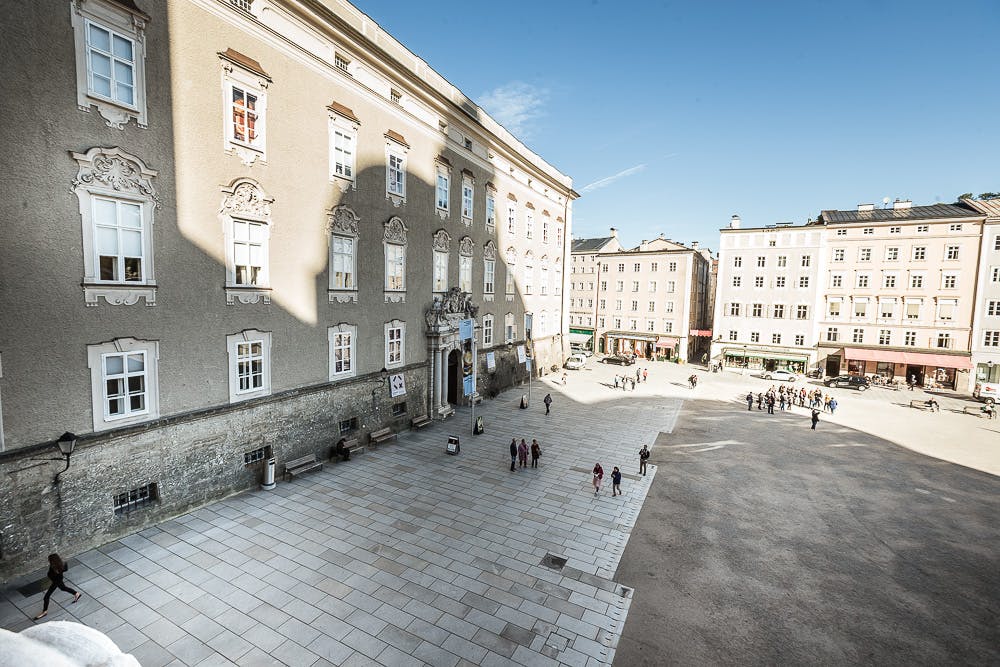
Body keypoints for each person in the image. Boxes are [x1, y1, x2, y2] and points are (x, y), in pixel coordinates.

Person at [34, 553, 80, 620]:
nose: (48, 561)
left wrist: (53, 575)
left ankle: (44, 612)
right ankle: (76, 593)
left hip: (56, 581)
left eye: (49, 560)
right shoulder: (61, 564)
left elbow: (53, 574)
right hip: (58, 580)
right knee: (63, 588)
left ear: (53, 561)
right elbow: (65, 569)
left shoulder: (54, 567)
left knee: (46, 596)